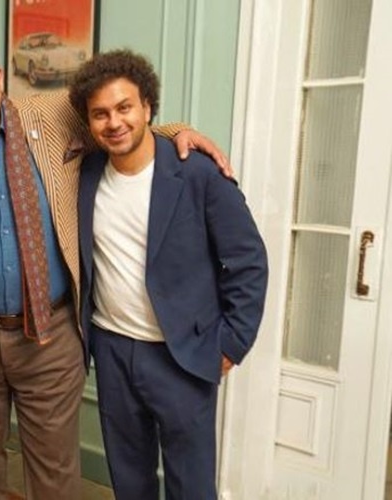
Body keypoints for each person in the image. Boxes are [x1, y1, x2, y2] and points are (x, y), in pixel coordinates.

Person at [0, 31, 230, 499]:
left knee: (55, 475)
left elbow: (117, 123)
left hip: (50, 336)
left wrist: (177, 132)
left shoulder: (50, 115)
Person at [70, 49, 269, 499]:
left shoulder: (198, 172)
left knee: (191, 486)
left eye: (124, 107)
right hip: (113, 350)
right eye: (100, 113)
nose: (114, 122)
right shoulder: (86, 173)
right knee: (130, 482)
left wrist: (231, 344)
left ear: (147, 107)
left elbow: (248, 261)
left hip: (183, 356)